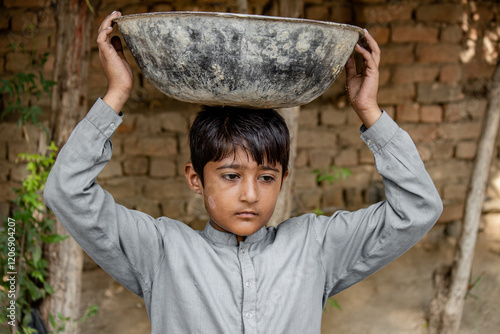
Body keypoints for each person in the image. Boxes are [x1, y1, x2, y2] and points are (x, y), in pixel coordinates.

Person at [43, 11, 443, 334]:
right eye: (231, 176)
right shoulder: (162, 252)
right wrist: (116, 93)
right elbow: (66, 191)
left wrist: (370, 112)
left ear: (284, 178)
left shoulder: (316, 247)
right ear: (195, 178)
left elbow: (418, 208)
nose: (251, 194)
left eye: (266, 177)